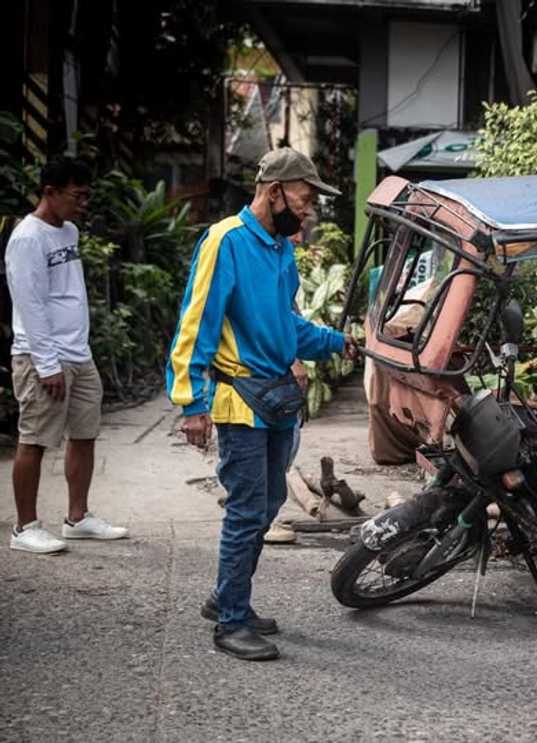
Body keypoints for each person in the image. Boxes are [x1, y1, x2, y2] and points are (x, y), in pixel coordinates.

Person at [166, 148, 357, 661]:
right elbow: (195, 322)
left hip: (274, 400)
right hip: (239, 401)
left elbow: (288, 326)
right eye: (306, 197)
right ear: (275, 192)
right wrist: (191, 403)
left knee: (269, 504)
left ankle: (227, 599)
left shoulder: (279, 250)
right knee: (249, 510)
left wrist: (339, 342)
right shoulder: (225, 240)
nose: (310, 208)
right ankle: (230, 622)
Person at [5, 159, 128, 554]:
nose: (83, 203)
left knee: (85, 433)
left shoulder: (69, 231)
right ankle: (24, 527)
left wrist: (76, 351)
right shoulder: (27, 237)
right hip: (43, 356)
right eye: (78, 195)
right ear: (50, 192)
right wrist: (46, 364)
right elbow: (30, 303)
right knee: (35, 439)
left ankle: (78, 518)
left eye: (87, 195)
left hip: (78, 353)